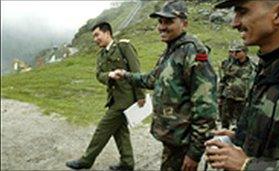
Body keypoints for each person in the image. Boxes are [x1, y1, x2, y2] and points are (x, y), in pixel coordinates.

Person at [111, 1, 218, 170]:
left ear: (184, 23)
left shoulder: (193, 52)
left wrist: (194, 153)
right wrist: (125, 75)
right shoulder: (172, 50)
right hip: (172, 139)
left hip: (183, 145)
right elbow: (153, 79)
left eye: (168, 21)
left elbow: (206, 107)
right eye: (160, 22)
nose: (161, 27)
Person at [205, 0, 279, 170]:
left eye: (242, 11)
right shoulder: (271, 66)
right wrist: (242, 136)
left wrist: (246, 166)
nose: (234, 23)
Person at [65, 21, 145, 171]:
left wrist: (141, 95)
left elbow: (136, 72)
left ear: (107, 33)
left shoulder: (124, 47)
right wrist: (110, 75)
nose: (95, 39)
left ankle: (87, 160)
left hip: (126, 99)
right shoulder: (100, 55)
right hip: (113, 99)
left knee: (103, 128)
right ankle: (127, 163)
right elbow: (98, 75)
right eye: (93, 36)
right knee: (120, 131)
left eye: (97, 35)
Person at [218, 43, 256, 129]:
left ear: (245, 52)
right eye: (234, 52)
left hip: (242, 97)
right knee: (225, 119)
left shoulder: (252, 66)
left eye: (238, 51)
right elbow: (223, 80)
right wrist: (220, 95)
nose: (235, 54)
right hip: (229, 95)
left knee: (241, 120)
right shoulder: (229, 64)